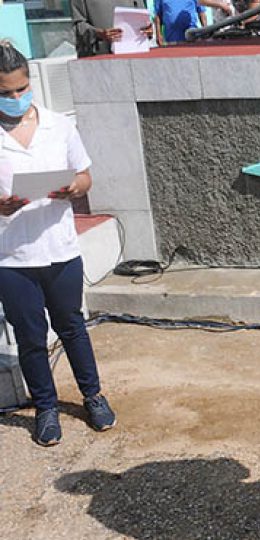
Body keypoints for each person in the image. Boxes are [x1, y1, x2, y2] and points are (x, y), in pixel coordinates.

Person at [0, 42, 116, 446]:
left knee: (72, 327)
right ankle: (46, 408)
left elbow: (85, 176)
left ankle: (92, 396)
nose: (17, 98)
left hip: (60, 249)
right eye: (7, 93)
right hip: (12, 257)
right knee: (30, 336)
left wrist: (72, 187)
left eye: (22, 89)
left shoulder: (58, 125)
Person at [71, 0, 154, 57]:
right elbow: (78, 25)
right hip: (98, 59)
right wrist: (99, 33)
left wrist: (148, 29)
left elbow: (143, 17)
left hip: (133, 55)